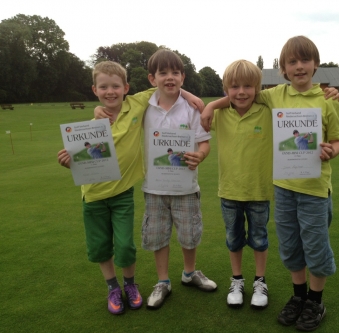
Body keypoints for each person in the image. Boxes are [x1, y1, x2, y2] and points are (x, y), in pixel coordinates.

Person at [201, 36, 339, 332]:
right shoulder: (275, 95)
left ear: (316, 64)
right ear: (284, 69)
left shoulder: (327, 100)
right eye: (292, 62)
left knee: (315, 248)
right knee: (290, 248)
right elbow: (240, 95)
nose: (299, 66)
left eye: (305, 61)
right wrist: (212, 104)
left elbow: (337, 140)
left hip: (315, 189)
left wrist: (331, 150)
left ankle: (315, 301)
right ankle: (298, 297)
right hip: (284, 188)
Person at [58, 61, 203, 315]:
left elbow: (167, 86)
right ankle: (113, 287)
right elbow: (82, 160)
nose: (110, 91)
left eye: (116, 86)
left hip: (123, 193)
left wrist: (190, 95)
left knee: (125, 246)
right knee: (101, 246)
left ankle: (130, 285)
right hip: (93, 195)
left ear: (126, 87)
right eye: (104, 87)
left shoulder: (136, 104)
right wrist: (69, 162)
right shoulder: (91, 125)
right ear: (95, 90)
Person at [141, 49, 217, 310]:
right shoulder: (143, 107)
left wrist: (200, 156)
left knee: (189, 232)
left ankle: (189, 273)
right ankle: (163, 281)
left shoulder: (193, 109)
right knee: (157, 234)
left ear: (183, 77)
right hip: (154, 187)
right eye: (163, 73)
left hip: (185, 186)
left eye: (175, 72)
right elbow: (115, 105)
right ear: (153, 78)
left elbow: (204, 143)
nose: (169, 77)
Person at [210, 60, 272, 309]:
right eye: (234, 86)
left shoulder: (267, 110)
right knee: (233, 238)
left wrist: (328, 92)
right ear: (226, 88)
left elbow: (297, 100)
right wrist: (212, 105)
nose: (242, 92)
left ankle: (260, 281)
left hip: (259, 190)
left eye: (248, 85)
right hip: (229, 190)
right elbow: (189, 106)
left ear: (258, 87)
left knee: (259, 238)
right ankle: (237, 280)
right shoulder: (218, 113)